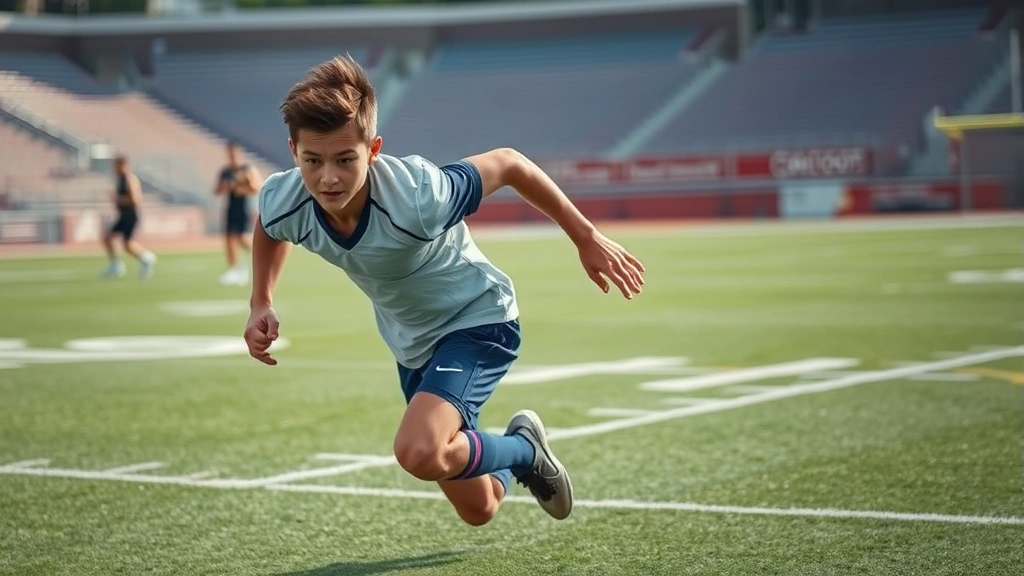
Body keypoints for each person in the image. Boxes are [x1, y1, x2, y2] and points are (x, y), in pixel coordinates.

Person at [244, 55, 645, 526]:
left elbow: (509, 163)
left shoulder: (420, 196)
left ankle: (523, 452)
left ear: (373, 150)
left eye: (345, 159)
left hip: (478, 319)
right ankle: (521, 447)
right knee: (480, 507)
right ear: (293, 151)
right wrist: (261, 301)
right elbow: (269, 226)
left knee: (419, 450)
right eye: (312, 160)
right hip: (412, 343)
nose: (328, 177)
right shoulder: (285, 197)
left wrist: (585, 237)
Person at [214, 141, 263, 286]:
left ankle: (261, 256)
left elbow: (256, 187)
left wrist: (241, 188)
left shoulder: (247, 169)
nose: (232, 156)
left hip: (244, 208)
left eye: (234, 153)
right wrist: (226, 186)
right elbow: (217, 190)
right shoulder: (225, 172)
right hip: (231, 207)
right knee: (229, 239)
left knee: (242, 238)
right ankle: (234, 270)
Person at [101, 154, 157, 279]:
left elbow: (136, 200)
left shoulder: (130, 179)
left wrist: (118, 199)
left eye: (117, 165)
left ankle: (146, 258)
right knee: (108, 238)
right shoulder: (120, 179)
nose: (115, 168)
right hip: (123, 215)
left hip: (130, 215)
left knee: (127, 244)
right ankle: (116, 265)